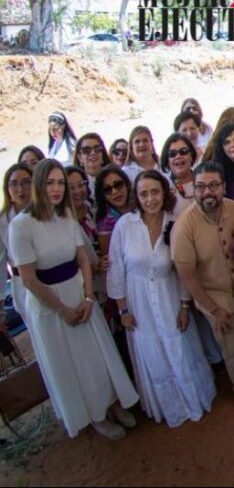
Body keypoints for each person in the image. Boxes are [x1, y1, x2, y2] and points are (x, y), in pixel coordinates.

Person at [9, 159, 139, 438]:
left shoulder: (65, 216)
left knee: (97, 355)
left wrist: (89, 296)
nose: (55, 189)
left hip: (79, 293)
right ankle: (94, 414)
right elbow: (29, 278)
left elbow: (82, 257)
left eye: (60, 183)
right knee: (73, 363)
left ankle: (113, 402)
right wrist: (62, 309)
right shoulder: (20, 226)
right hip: (50, 305)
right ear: (38, 185)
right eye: (49, 182)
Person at [108, 170, 216, 426]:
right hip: (138, 301)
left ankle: (193, 399)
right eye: (143, 193)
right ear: (137, 196)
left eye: (154, 192)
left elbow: (182, 270)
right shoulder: (125, 225)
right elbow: (116, 271)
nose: (150, 199)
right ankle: (170, 407)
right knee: (152, 352)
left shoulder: (174, 223)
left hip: (169, 296)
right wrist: (123, 311)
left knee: (179, 348)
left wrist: (184, 305)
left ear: (163, 193)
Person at [171, 161, 234, 420]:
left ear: (222, 186)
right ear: (194, 190)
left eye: (213, 185)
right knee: (232, 348)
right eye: (201, 187)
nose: (207, 192)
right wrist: (213, 310)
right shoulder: (184, 226)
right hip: (213, 296)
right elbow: (187, 276)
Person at [1, 164, 33, 318]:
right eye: (14, 183)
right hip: (22, 285)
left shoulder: (47, 213)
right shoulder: (3, 221)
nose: (20, 188)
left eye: (26, 182)